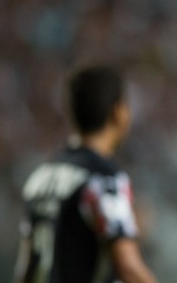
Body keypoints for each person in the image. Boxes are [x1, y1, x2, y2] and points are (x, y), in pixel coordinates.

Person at [14, 65, 157, 283]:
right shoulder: (103, 178)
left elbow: (26, 271)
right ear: (118, 113)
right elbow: (128, 267)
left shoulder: (41, 178)